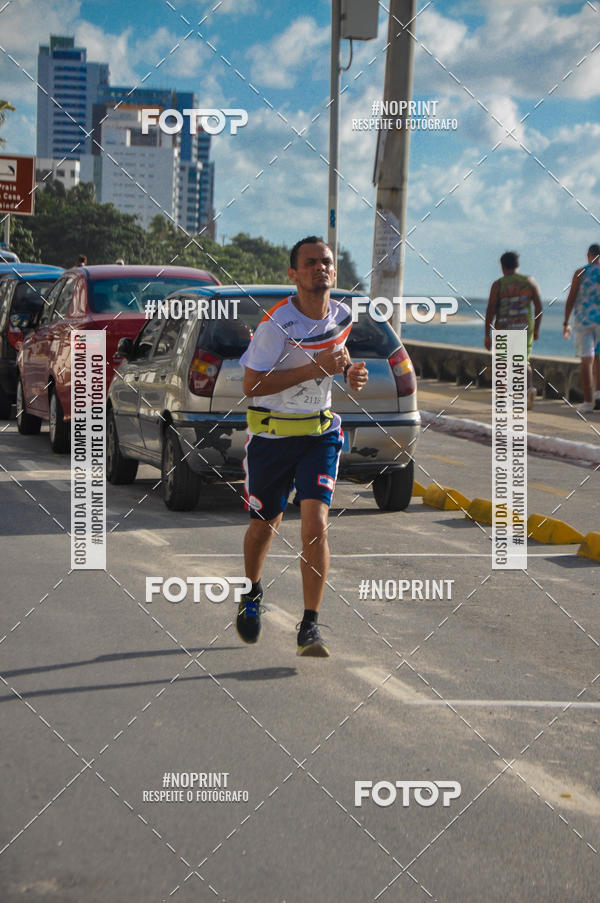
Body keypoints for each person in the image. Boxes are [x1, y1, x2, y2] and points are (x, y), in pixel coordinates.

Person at [237, 236, 368, 657]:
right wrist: (315, 368)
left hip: (320, 435)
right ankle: (252, 591)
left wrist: (349, 372)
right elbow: (251, 385)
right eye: (310, 262)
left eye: (326, 262)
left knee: (315, 525)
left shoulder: (344, 314)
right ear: (293, 274)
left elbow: (339, 354)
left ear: (335, 270)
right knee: (264, 527)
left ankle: (310, 625)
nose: (320, 268)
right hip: (273, 437)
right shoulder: (276, 325)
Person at [484, 251, 543, 409]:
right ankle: (529, 389)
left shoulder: (498, 284)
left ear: (502, 266)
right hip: (524, 327)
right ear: (517, 265)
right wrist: (536, 328)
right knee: (523, 361)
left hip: (503, 326)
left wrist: (487, 334)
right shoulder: (529, 281)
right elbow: (538, 306)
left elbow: (490, 310)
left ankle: (502, 399)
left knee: (502, 363)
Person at [563, 244, 600, 414]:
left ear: (588, 256)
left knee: (587, 361)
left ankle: (587, 402)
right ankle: (598, 394)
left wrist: (566, 323)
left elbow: (571, 299)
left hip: (584, 321)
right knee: (599, 359)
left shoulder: (581, 272)